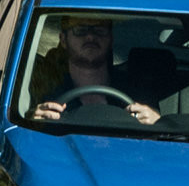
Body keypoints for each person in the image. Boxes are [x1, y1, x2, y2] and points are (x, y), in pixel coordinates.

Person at [27, 16, 162, 124]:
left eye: (99, 30)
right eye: (80, 30)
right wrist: (34, 122)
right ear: (63, 40)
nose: (90, 37)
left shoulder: (136, 91)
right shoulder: (43, 89)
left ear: (111, 39)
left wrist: (157, 123)